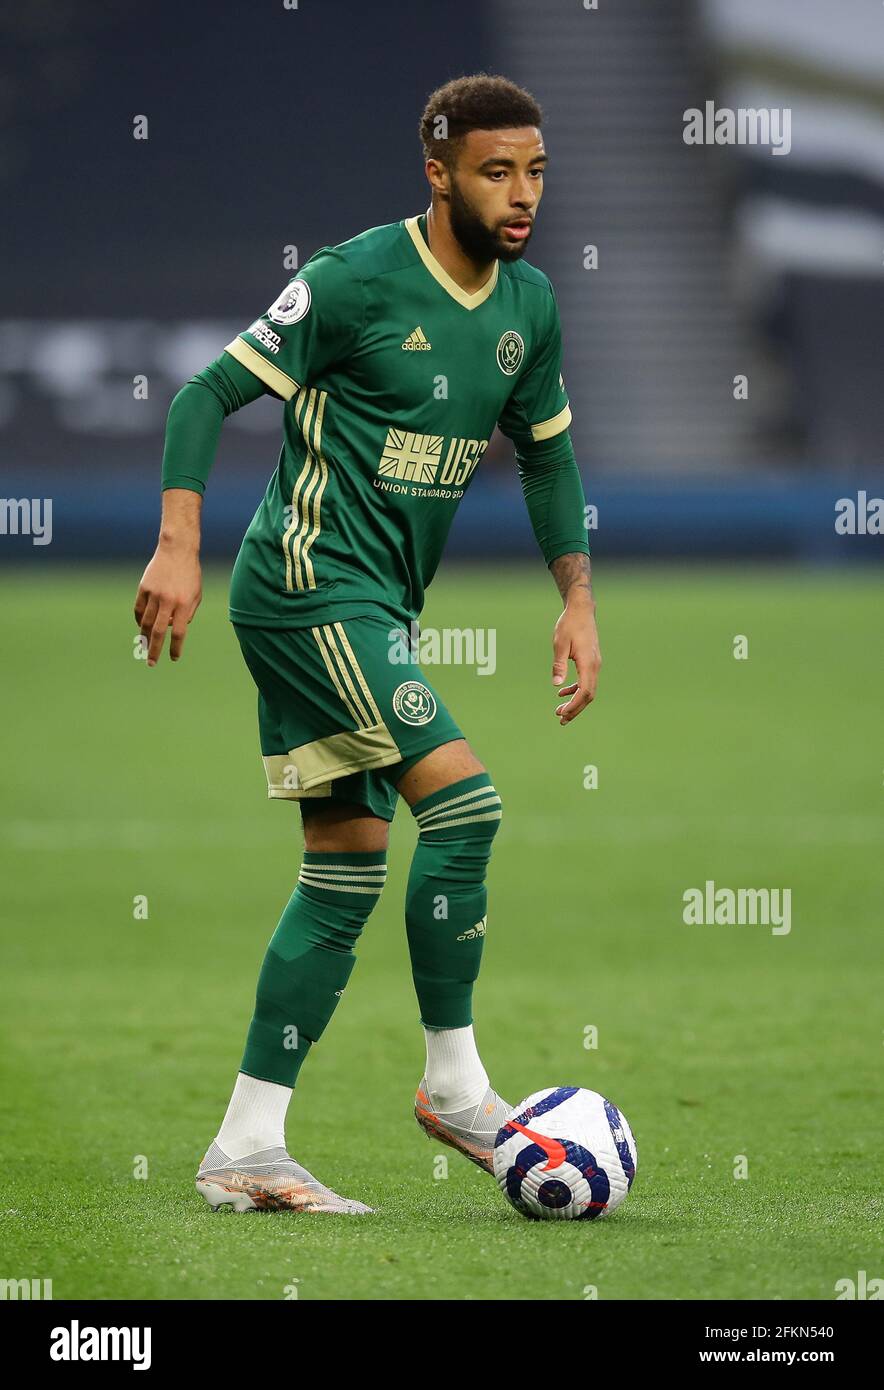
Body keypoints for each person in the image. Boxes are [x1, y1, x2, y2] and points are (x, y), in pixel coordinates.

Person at [134, 73, 600, 1213]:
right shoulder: (351, 281)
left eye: (534, 169)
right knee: (466, 803)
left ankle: (247, 1146)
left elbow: (544, 457)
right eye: (496, 170)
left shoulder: (528, 306)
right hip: (304, 593)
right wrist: (177, 542)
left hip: (373, 608)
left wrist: (575, 598)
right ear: (437, 173)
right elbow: (201, 396)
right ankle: (456, 1084)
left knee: (340, 877)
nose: (521, 192)